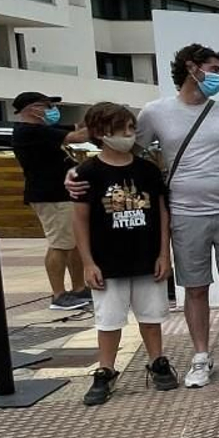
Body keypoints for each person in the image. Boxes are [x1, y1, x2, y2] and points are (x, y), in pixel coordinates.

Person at [70, 43, 219, 389]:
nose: (218, 77)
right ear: (191, 68)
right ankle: (201, 355)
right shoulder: (156, 112)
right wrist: (75, 172)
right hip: (185, 213)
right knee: (196, 286)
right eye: (214, 69)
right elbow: (126, 153)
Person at [71, 103, 177, 405]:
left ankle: (157, 361)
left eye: (132, 128)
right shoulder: (87, 171)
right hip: (107, 262)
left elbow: (161, 212)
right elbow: (79, 219)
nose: (129, 135)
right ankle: (106, 369)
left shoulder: (147, 169)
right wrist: (88, 262)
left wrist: (163, 254)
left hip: (146, 257)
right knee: (108, 319)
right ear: (102, 133)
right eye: (122, 129)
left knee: (151, 316)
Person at [11, 92, 91, 310]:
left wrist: (90, 118)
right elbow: (77, 137)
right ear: (30, 109)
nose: (50, 110)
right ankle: (58, 294)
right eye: (45, 106)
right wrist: (103, 125)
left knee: (73, 243)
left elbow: (74, 128)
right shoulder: (29, 131)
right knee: (60, 244)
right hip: (49, 196)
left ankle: (79, 288)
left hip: (62, 194)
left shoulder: (42, 131)